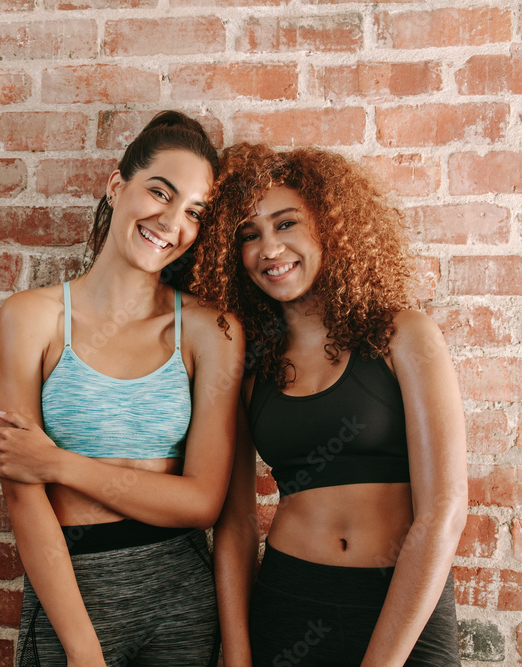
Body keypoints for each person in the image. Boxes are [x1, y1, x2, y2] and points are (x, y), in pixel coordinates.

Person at [0, 111, 244, 666]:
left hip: (181, 597)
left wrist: (57, 464)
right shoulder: (32, 317)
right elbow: (22, 495)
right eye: (160, 192)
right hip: (71, 596)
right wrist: (83, 652)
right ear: (116, 185)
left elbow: (201, 502)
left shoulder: (210, 331)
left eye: (193, 212)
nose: (172, 222)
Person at [196, 143, 467, 666]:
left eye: (286, 224)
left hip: (403, 605)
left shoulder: (404, 336)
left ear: (329, 226)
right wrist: (237, 654)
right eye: (249, 235)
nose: (268, 249)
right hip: (290, 600)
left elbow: (443, 513)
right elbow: (235, 524)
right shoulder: (250, 370)